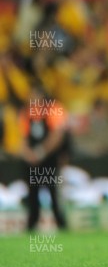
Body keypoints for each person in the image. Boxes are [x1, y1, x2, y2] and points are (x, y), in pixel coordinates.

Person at [20, 85, 69, 231]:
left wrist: (41, 152)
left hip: (50, 160)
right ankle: (31, 225)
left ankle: (61, 224)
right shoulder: (26, 113)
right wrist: (28, 154)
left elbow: (57, 135)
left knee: (53, 191)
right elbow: (22, 137)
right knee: (32, 192)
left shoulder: (53, 109)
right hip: (31, 161)